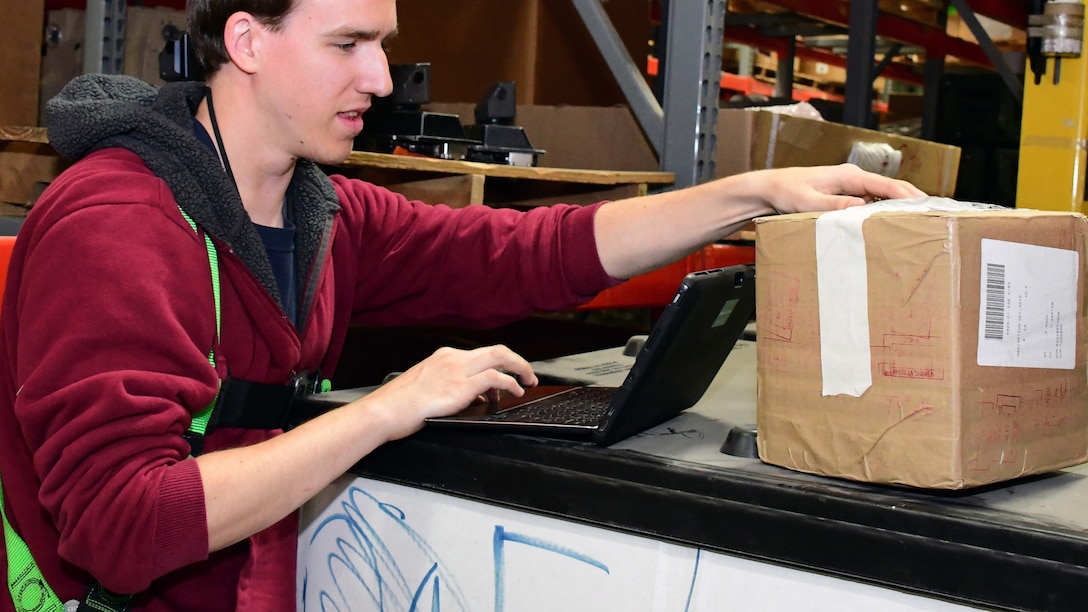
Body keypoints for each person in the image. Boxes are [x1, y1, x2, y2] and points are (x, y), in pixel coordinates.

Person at [0, 0, 926, 610]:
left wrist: (754, 194)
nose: (378, 78)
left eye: (383, 47)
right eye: (347, 45)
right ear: (246, 42)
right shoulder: (119, 224)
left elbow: (529, 254)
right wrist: (385, 408)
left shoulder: (321, 212)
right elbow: (120, 525)